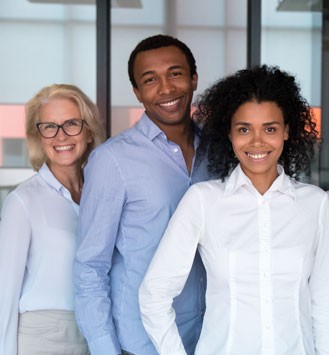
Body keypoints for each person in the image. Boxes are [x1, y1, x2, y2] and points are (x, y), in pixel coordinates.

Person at [139, 65, 329, 354]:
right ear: (230, 134)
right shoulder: (203, 200)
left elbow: (325, 304)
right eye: (244, 129)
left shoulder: (314, 203)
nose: (257, 141)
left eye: (270, 129)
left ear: (286, 131)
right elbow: (153, 294)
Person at [73, 34, 210, 355]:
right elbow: (90, 267)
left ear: (193, 78)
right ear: (137, 91)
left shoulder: (220, 152)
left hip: (210, 338)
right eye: (150, 80)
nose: (166, 88)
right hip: (141, 343)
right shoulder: (112, 161)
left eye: (175, 73)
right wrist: (106, 349)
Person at [0, 84, 105, 355]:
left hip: (94, 333)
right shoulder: (22, 202)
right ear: (39, 136)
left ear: (89, 131)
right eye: (49, 126)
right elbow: (4, 295)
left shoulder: (103, 194)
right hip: (42, 339)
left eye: (71, 123)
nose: (61, 136)